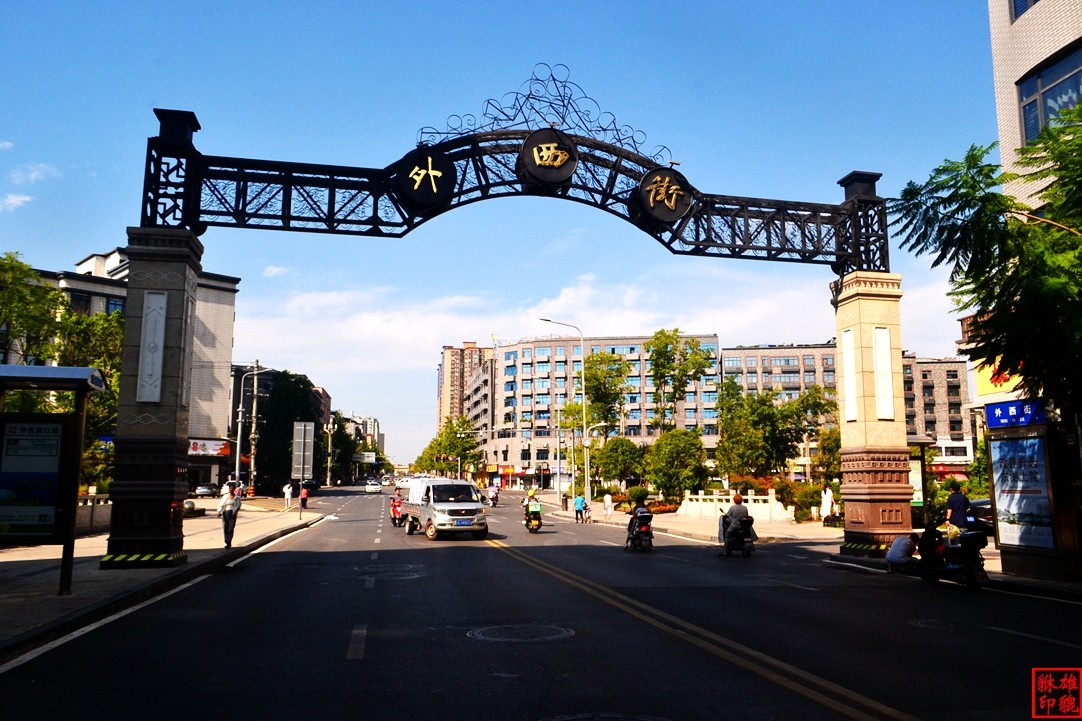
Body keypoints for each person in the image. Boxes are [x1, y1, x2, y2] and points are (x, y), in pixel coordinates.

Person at [217, 484, 240, 549]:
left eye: (232, 488)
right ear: (229, 489)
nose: (231, 489)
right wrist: (219, 511)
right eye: (230, 488)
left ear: (234, 489)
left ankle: (229, 541)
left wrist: (235, 512)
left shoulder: (237, 497)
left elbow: (238, 506)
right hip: (225, 512)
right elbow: (221, 504)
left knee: (231, 528)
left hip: (232, 513)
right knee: (225, 527)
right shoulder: (225, 496)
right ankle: (226, 540)